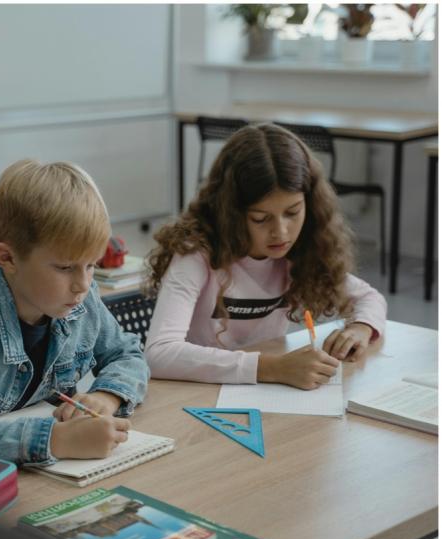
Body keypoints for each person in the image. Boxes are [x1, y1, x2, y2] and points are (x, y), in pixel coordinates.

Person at [0, 159, 148, 465]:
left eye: (91, 265)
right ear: (8, 258)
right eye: (65, 267)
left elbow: (127, 354)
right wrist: (55, 439)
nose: (83, 284)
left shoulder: (80, 299)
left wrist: (107, 396)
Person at [143, 123, 386, 390]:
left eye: (293, 213)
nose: (281, 232)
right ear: (232, 214)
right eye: (260, 218)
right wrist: (271, 367)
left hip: (264, 391)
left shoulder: (301, 250)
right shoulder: (197, 255)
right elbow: (159, 353)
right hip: (198, 392)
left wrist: (360, 328)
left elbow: (369, 297)